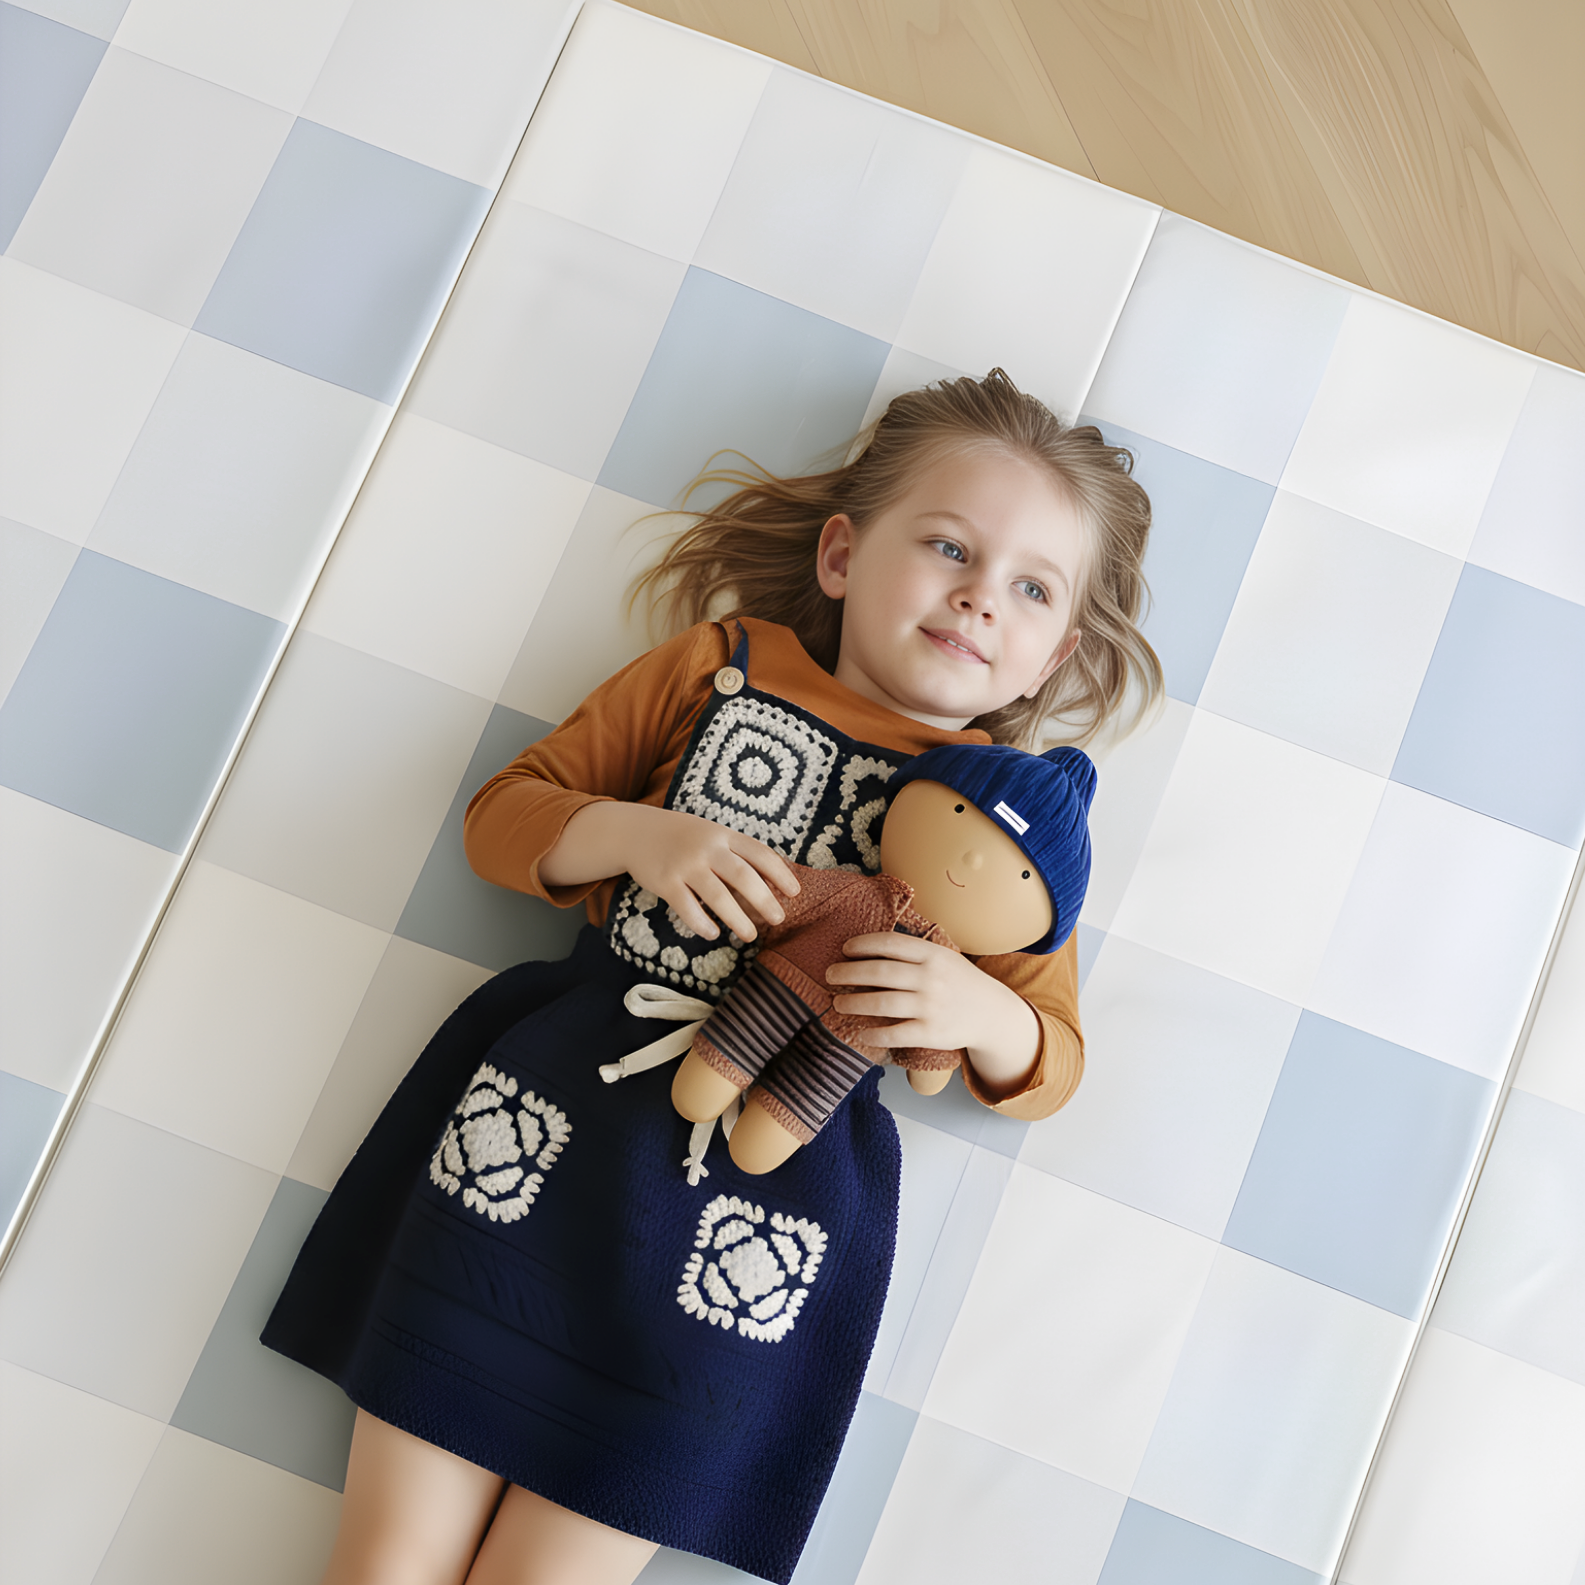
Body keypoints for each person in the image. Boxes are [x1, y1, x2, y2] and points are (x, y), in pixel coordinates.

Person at [262, 369, 1162, 1585]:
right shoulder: (716, 665)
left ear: (1054, 654)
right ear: (841, 554)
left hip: (752, 1220)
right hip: (539, 1146)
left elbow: (1050, 1061)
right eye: (948, 545)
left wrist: (980, 1011)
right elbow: (503, 817)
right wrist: (639, 836)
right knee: (387, 1557)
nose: (977, 595)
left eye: (1031, 588)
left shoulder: (1014, 827)